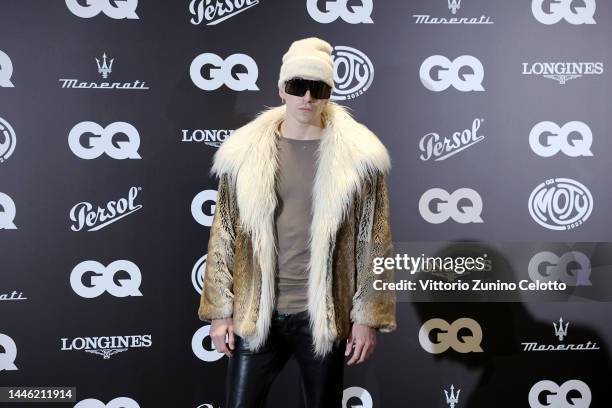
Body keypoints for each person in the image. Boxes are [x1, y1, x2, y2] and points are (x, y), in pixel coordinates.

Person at [198, 37, 396, 408]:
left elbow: (375, 241)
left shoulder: (360, 158)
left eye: (317, 88)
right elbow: (223, 235)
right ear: (281, 90)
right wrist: (220, 312)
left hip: (323, 315)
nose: (307, 97)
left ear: (328, 94)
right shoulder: (243, 154)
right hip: (257, 314)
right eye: (297, 86)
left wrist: (368, 316)